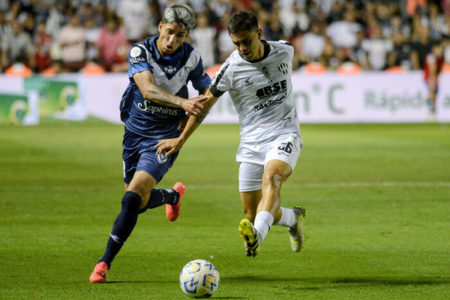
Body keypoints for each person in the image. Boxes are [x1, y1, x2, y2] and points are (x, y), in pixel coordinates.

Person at [155, 10, 306, 258]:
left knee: (272, 178)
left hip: (284, 133)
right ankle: (292, 218)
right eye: (236, 43)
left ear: (259, 33)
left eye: (246, 41)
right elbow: (203, 106)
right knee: (253, 213)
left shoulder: (284, 50)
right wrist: (181, 139)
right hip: (251, 143)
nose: (242, 48)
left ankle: (256, 238)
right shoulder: (231, 69)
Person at [89, 4, 210, 283]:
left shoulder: (192, 58)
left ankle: (103, 264)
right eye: (168, 33)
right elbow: (146, 89)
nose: (172, 41)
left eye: (179, 36)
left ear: (186, 35)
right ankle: (172, 196)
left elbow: (206, 91)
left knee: (131, 197)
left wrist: (184, 131)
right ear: (159, 27)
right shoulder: (139, 51)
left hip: (163, 139)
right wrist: (183, 103)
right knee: (137, 204)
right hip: (134, 134)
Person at [424, 41, 444, 118]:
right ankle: (430, 111)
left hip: (435, 78)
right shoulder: (431, 57)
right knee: (431, 94)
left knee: (435, 96)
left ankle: (434, 113)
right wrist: (432, 82)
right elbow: (432, 71)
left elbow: (439, 70)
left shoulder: (441, 58)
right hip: (429, 78)